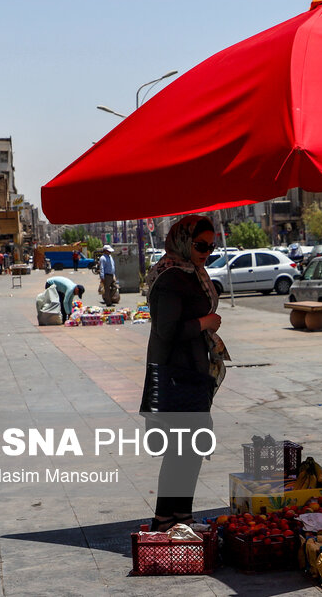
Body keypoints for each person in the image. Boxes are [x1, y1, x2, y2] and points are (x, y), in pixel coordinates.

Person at [140, 214, 229, 532]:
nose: (206, 251)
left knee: (191, 448)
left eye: (211, 245)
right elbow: (165, 330)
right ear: (182, 242)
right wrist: (205, 323)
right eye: (200, 245)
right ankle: (167, 519)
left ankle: (181, 517)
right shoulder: (172, 278)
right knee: (183, 449)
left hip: (190, 371)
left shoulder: (192, 273)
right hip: (176, 374)